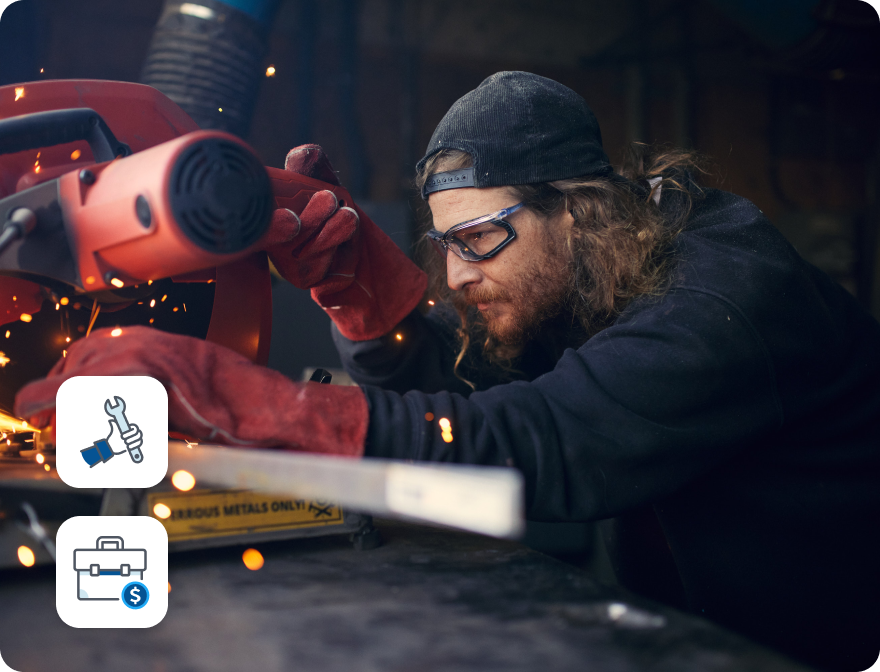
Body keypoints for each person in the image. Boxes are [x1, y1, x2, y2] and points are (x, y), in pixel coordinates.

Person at [17, 72, 880, 671]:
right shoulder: (601, 271)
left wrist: (250, 406)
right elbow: (484, 405)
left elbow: (540, 445)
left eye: (479, 241)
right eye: (444, 248)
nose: (458, 277)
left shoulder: (727, 298)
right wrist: (377, 316)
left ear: (578, 209)